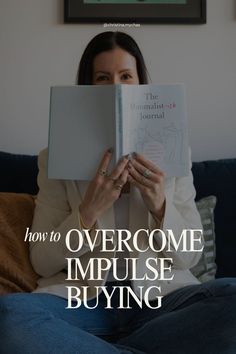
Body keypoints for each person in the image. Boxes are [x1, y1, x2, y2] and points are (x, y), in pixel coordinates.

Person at [0, 31, 236, 354]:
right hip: (83, 303)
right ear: (87, 89)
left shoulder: (174, 152)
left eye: (126, 76)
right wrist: (86, 213)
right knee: (9, 316)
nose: (116, 87)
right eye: (102, 78)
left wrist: (160, 205)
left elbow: (190, 255)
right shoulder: (55, 157)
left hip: (162, 302)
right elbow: (41, 260)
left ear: (141, 85)